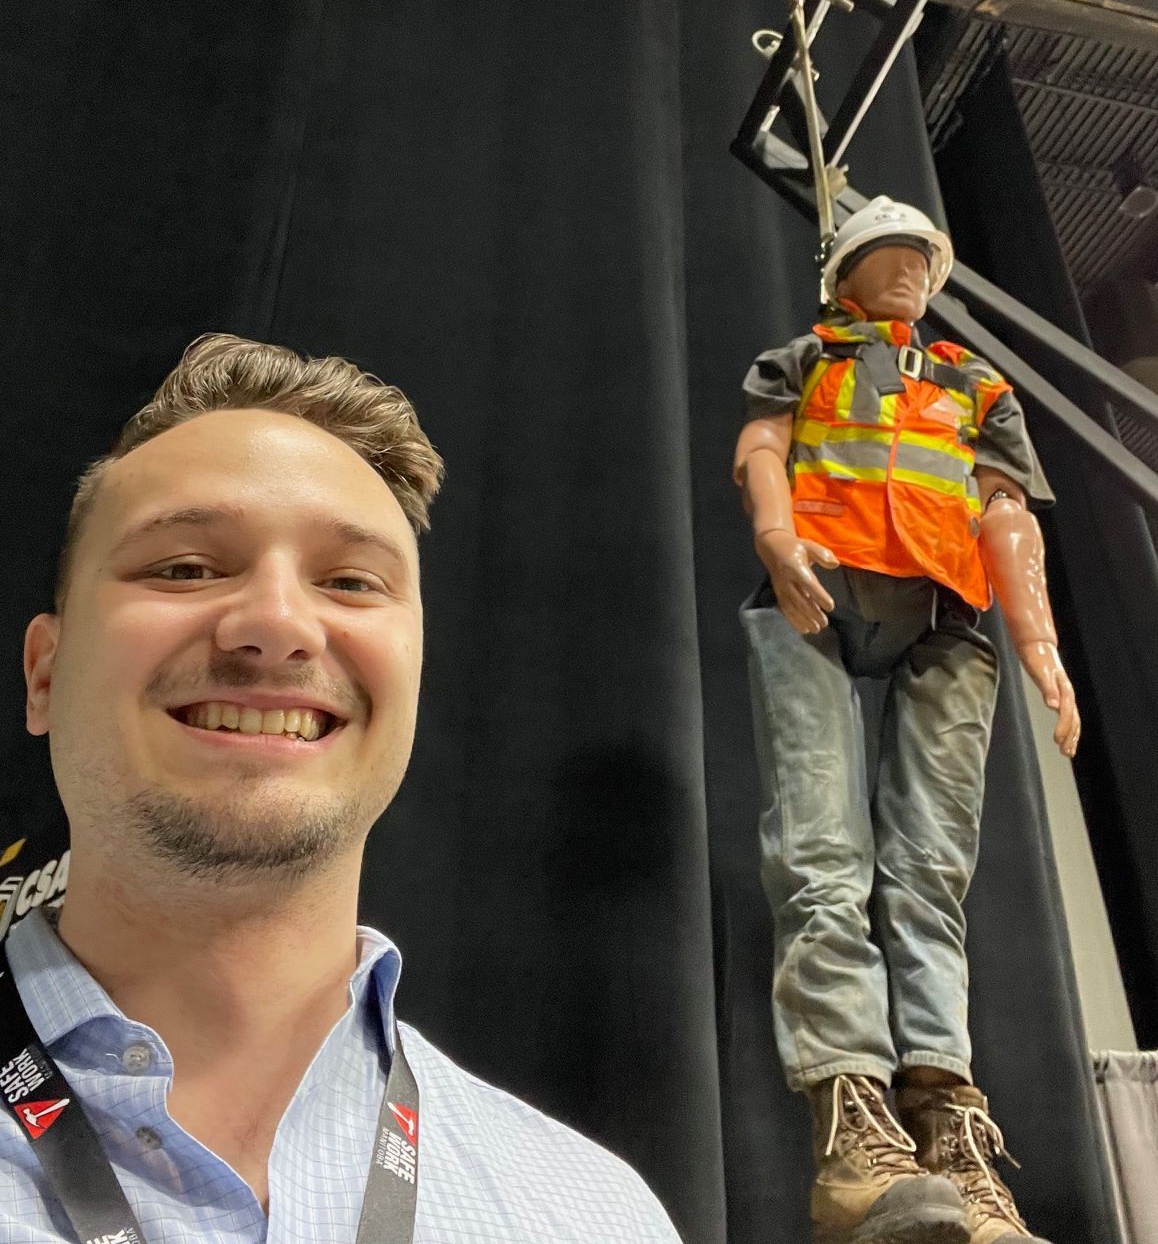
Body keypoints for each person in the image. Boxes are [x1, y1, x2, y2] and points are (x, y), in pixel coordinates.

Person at [1, 333, 683, 1243]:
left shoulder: (595, 1217)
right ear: (44, 674)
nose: (277, 623)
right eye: (185, 567)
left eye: (351, 582)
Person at [733, 197, 1078, 1244]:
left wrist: (1041, 641)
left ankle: (953, 1136)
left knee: (930, 872)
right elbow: (761, 444)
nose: (910, 273)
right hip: (821, 595)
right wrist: (776, 536)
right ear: (843, 268)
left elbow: (1004, 509)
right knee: (822, 852)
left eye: (923, 258)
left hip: (947, 609)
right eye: (889, 254)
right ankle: (854, 1130)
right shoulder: (803, 358)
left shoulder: (974, 383)